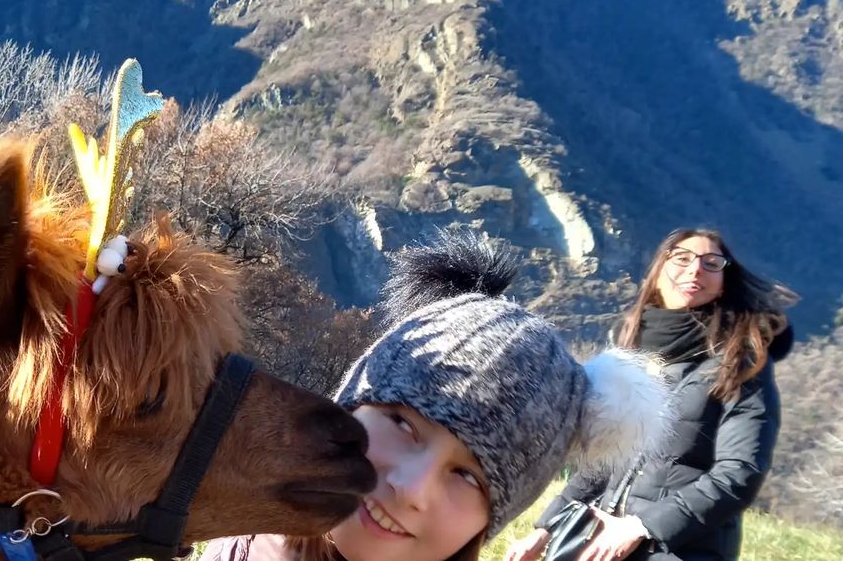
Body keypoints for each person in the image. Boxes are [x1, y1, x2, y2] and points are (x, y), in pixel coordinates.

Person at [198, 232, 673, 561]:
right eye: (403, 424)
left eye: (469, 477)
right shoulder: (213, 527)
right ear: (352, 406)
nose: (412, 487)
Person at [505, 228, 796, 561]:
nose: (695, 270)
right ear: (658, 272)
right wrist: (545, 531)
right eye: (682, 259)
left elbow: (740, 472)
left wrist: (642, 526)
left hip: (683, 549)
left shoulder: (740, 361)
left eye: (711, 263)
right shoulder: (630, 355)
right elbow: (604, 461)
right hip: (603, 541)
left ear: (724, 283)